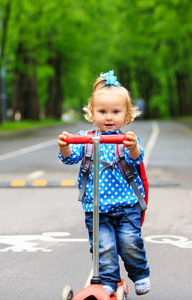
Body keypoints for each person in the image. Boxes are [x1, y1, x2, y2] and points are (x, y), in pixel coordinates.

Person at [57, 70, 150, 296]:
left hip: (126, 206)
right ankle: (108, 281)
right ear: (92, 113)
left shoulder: (126, 140)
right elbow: (70, 157)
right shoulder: (86, 140)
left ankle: (140, 274)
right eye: (102, 111)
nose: (109, 117)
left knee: (129, 243)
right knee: (103, 248)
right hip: (96, 208)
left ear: (126, 116)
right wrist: (65, 145)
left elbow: (137, 158)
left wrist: (133, 146)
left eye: (116, 112)